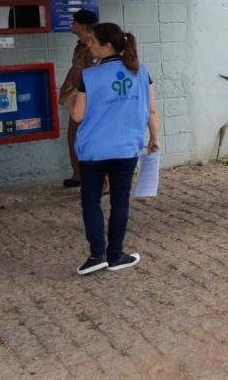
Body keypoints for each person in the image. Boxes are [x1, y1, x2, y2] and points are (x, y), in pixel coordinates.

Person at [71, 23, 160, 275]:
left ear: (107, 46)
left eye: (92, 41)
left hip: (93, 150)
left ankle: (96, 256)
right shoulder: (141, 72)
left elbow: (77, 116)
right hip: (126, 148)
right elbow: (152, 110)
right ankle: (116, 255)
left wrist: (70, 99)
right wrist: (155, 138)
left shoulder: (89, 76)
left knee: (91, 202)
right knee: (120, 201)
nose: (88, 45)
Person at [59, 9, 99, 188]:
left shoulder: (94, 46)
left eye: (74, 22)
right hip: (78, 97)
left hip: (90, 99)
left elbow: (93, 76)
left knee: (91, 138)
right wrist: (65, 87)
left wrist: (72, 91)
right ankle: (78, 175)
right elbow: (75, 68)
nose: (71, 25)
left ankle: (102, 181)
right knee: (73, 136)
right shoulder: (80, 45)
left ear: (82, 26)